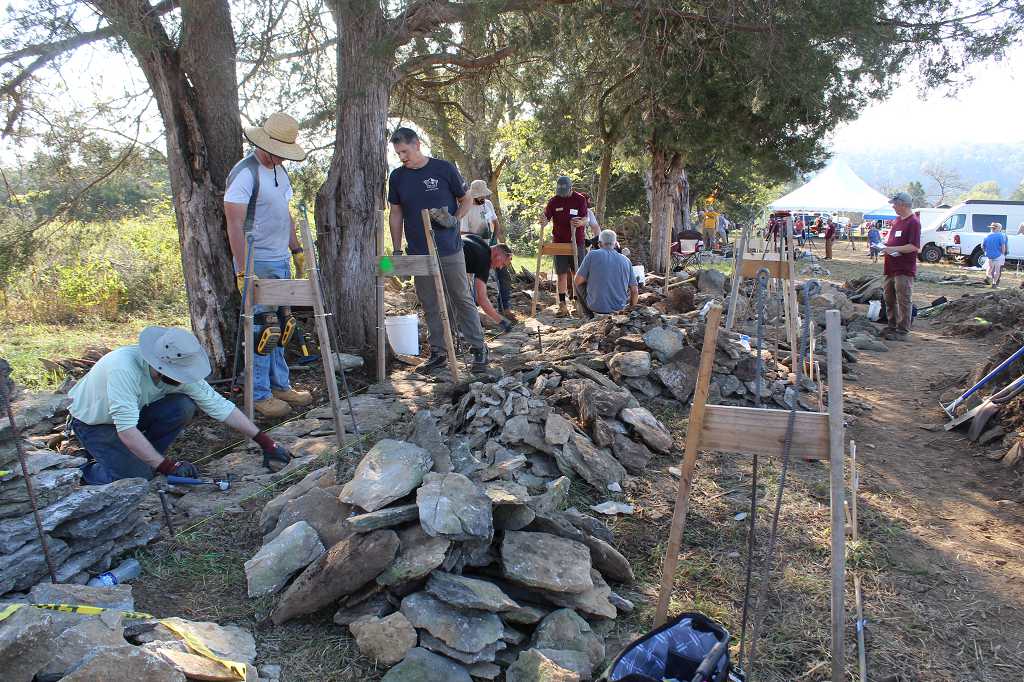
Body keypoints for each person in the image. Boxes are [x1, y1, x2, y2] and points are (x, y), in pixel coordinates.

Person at [69, 327, 292, 485]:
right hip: (95, 423)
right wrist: (168, 467)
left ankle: (147, 459)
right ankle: (81, 471)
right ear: (160, 365)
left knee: (183, 406)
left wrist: (266, 443)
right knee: (135, 479)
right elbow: (126, 430)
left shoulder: (180, 368)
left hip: (134, 415)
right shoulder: (124, 368)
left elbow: (219, 406)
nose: (183, 379)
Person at [225, 112, 312, 418]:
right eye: (277, 153)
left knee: (284, 326)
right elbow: (234, 224)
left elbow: (284, 211)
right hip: (256, 259)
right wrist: (241, 269)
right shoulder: (245, 173)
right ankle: (259, 393)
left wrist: (296, 248)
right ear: (265, 143)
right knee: (264, 329)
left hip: (280, 258)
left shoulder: (280, 172)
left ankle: (281, 384)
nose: (280, 159)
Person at [387, 127, 488, 372]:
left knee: (461, 297)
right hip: (419, 251)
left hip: (449, 247)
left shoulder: (443, 169)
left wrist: (454, 219)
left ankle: (478, 349)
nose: (402, 157)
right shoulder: (398, 177)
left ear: (417, 144)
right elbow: (396, 212)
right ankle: (439, 352)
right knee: (429, 301)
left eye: (405, 151)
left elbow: (465, 198)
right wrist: (398, 250)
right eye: (398, 153)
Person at [461, 179, 514, 320]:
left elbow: (496, 223)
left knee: (503, 275)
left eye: (484, 196)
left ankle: (505, 307)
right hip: (475, 251)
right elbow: (463, 233)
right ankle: (472, 313)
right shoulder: (466, 209)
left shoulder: (488, 204)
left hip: (492, 246)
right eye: (480, 196)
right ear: (473, 195)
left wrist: (493, 241)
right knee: (472, 282)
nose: (483, 198)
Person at [540, 176, 589, 317]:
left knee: (577, 274)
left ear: (571, 188)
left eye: (564, 192)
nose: (562, 195)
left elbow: (585, 219)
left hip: (576, 242)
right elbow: (546, 218)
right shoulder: (553, 201)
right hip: (559, 243)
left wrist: (580, 223)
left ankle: (577, 301)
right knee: (561, 274)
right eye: (559, 192)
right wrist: (542, 221)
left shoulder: (580, 199)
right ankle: (562, 305)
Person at [882, 192, 921, 341]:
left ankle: (903, 330)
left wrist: (894, 249)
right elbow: (892, 239)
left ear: (903, 204)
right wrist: (885, 246)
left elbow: (914, 246)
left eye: (895, 204)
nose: (893, 207)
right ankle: (891, 325)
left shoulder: (914, 222)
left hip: (904, 268)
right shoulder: (897, 220)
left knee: (903, 298)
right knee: (889, 297)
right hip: (890, 266)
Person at [574, 229, 639, 317]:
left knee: (577, 281)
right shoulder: (626, 260)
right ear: (615, 244)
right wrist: (631, 311)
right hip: (619, 309)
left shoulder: (592, 255)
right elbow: (634, 291)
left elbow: (578, 281)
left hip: (596, 307)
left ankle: (589, 316)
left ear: (599, 243)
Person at [462, 234, 515, 330]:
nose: (500, 267)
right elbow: (481, 298)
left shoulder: (479, 241)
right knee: (463, 300)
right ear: (497, 255)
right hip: (445, 262)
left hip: (439, 251)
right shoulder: (484, 261)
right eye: (502, 264)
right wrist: (501, 321)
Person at [982, 222, 1008, 287]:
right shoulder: (1000, 235)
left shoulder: (986, 235)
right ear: (998, 229)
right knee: (997, 270)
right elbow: (1003, 246)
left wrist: (986, 252)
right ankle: (994, 283)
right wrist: (1003, 253)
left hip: (989, 255)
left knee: (990, 267)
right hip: (998, 255)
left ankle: (987, 277)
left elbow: (982, 246)